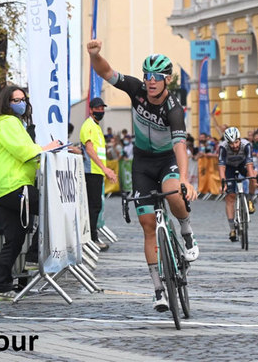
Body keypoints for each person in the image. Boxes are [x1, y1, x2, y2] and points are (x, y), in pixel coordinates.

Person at [87, 39, 199, 312]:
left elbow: (180, 145)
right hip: (142, 163)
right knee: (148, 225)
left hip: (166, 160)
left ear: (167, 80)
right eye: (147, 76)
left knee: (174, 194)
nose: (150, 81)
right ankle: (158, 290)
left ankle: (185, 230)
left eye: (156, 78)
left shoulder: (173, 107)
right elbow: (106, 72)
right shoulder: (135, 89)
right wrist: (95, 55)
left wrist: (184, 179)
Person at [0, 85, 61, 300]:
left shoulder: (7, 124)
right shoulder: (9, 123)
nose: (21, 103)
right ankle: (34, 257)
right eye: (15, 99)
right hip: (14, 186)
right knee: (50, 206)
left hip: (6, 186)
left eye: (23, 99)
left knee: (15, 237)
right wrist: (48, 149)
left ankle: (0, 286)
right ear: (6, 103)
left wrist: (44, 152)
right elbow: (24, 151)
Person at [80, 97, 118, 251]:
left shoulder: (96, 126)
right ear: (91, 109)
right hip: (92, 171)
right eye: (98, 108)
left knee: (95, 205)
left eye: (102, 108)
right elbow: (89, 149)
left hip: (96, 172)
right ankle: (91, 239)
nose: (100, 111)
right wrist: (105, 169)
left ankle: (92, 237)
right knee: (93, 206)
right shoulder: (88, 125)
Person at [218, 127, 258, 241]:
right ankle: (232, 229)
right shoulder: (223, 147)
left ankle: (250, 200)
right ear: (227, 142)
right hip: (229, 167)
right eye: (231, 143)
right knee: (230, 197)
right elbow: (221, 167)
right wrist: (223, 182)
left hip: (242, 164)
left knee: (252, 177)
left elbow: (250, 165)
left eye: (236, 142)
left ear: (240, 139)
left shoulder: (246, 145)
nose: (235, 146)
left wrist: (253, 180)